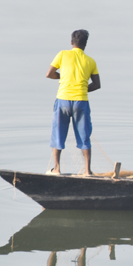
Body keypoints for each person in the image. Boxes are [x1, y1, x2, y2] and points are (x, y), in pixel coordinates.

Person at [46, 29, 100, 175]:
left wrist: (63, 78)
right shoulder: (90, 61)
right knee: (84, 136)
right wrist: (80, 88)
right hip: (81, 102)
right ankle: (87, 171)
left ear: (71, 42)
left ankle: (56, 169)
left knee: (58, 133)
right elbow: (97, 84)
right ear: (85, 45)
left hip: (63, 100)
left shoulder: (63, 54)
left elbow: (49, 74)